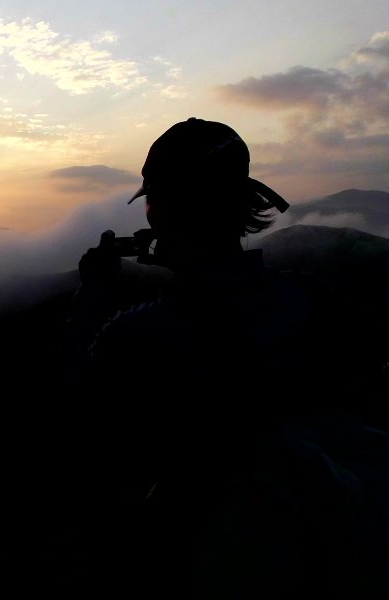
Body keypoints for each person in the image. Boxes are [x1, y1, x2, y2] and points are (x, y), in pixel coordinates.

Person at [61, 117, 389, 598]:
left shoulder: (143, 334)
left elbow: (74, 403)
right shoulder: (315, 298)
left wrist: (92, 293)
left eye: (152, 200)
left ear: (164, 210)